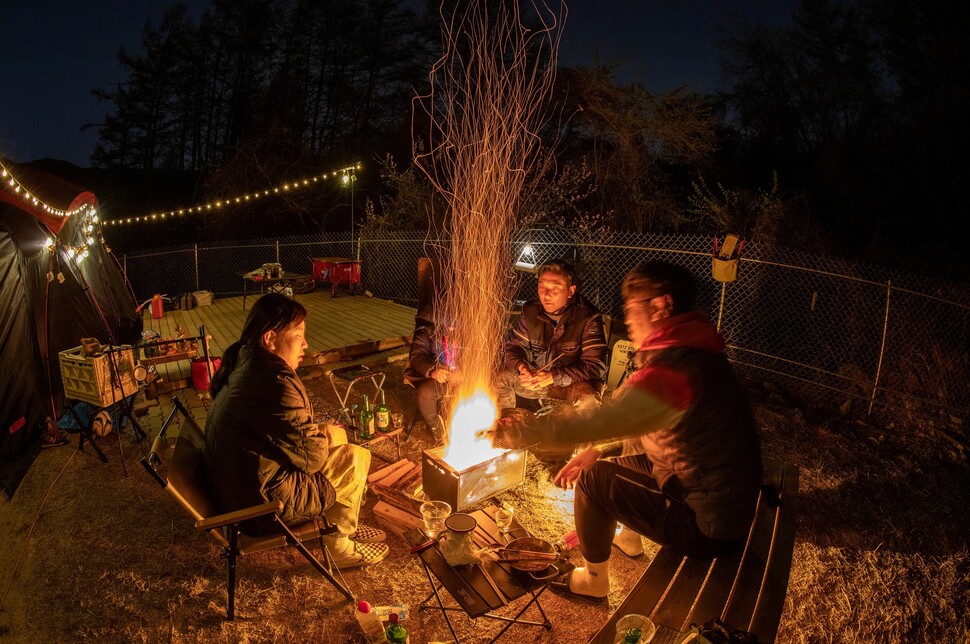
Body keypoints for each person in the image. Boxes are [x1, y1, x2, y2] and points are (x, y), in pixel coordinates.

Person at [486, 260, 762, 602]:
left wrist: (527, 430)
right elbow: (645, 429)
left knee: (594, 480)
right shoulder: (694, 353)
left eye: (631, 309)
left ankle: (594, 580)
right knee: (608, 462)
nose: (627, 320)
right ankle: (629, 538)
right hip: (714, 499)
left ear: (661, 306)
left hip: (708, 526)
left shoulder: (675, 369)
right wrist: (600, 450)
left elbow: (605, 420)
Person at [204, 293, 388, 568]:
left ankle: (339, 525)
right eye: (299, 334)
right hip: (263, 508)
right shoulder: (274, 381)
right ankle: (339, 547)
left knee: (335, 436)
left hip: (241, 489)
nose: (305, 344)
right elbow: (312, 458)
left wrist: (320, 433)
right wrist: (321, 435)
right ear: (270, 338)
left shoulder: (245, 363)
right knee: (354, 458)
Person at [496, 259, 607, 412]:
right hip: (540, 380)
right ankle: (506, 428)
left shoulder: (588, 316)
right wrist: (522, 368)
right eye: (542, 287)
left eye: (555, 288)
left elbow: (595, 366)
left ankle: (578, 434)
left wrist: (554, 376)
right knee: (499, 379)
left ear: (571, 291)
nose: (546, 295)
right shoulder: (530, 311)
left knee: (587, 400)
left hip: (574, 384)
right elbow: (513, 346)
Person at [403, 317, 457, 441]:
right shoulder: (427, 331)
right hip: (436, 378)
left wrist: (464, 373)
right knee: (425, 393)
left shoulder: (470, 331)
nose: (451, 328)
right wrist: (432, 370)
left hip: (462, 378)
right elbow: (417, 355)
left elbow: (479, 354)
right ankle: (437, 429)